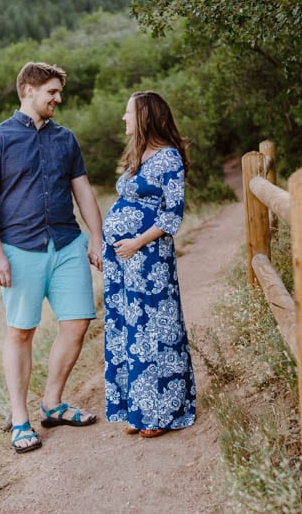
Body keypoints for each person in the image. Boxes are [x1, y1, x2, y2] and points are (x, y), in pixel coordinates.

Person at [0, 61, 104, 454]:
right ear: (28, 90)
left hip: (66, 244)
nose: (58, 99)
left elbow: (83, 191)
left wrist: (96, 239)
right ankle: (19, 420)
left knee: (78, 322)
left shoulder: (66, 139)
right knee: (21, 331)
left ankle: (52, 403)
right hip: (20, 249)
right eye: (52, 92)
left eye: (59, 92)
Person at [102, 91, 196, 438]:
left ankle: (161, 411)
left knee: (154, 330)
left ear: (144, 117)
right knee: (129, 329)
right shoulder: (137, 156)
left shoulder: (168, 158)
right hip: (124, 260)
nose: (124, 119)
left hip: (149, 260)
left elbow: (173, 214)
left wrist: (137, 242)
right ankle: (139, 407)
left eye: (128, 113)